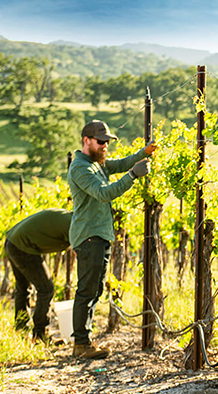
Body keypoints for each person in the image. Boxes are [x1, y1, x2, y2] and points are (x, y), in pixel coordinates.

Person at [67, 120, 157, 359]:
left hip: (99, 236)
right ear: (86, 140)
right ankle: (80, 344)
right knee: (86, 291)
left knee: (94, 289)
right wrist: (132, 176)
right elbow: (104, 193)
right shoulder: (80, 168)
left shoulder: (97, 163)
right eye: (101, 141)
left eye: (107, 141)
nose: (106, 145)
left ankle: (84, 341)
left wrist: (143, 153)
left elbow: (121, 163)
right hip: (89, 237)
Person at [5, 208, 73, 341]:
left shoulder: (69, 217)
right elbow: (82, 252)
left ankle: (21, 330)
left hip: (12, 241)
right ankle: (39, 335)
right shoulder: (74, 224)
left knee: (23, 288)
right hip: (22, 246)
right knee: (46, 289)